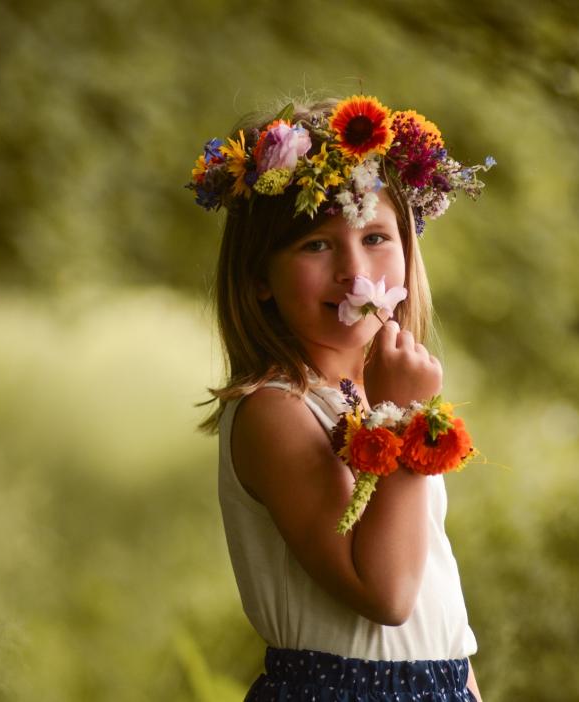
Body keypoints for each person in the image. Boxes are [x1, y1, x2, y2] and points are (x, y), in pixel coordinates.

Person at [190, 94, 493, 702]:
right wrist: (404, 416)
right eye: (316, 245)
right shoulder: (275, 410)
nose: (356, 273)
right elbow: (387, 596)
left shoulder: (368, 395)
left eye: (376, 237)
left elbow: (434, 600)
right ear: (259, 277)